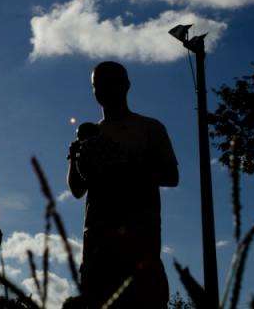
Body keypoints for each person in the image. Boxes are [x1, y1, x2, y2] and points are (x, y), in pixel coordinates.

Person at [67, 61, 179, 309]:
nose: (102, 90)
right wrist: (74, 159)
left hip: (140, 243)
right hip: (97, 246)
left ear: (126, 86)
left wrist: (123, 167)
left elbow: (171, 176)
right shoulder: (89, 134)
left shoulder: (149, 128)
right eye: (97, 85)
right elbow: (76, 190)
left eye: (109, 83)